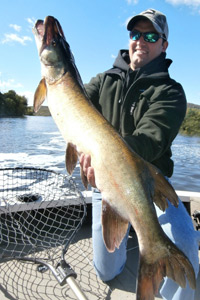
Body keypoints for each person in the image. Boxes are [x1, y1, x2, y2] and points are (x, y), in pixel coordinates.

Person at [80, 8, 200, 300]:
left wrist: (104, 154)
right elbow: (77, 111)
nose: (140, 41)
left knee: (185, 243)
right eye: (135, 34)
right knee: (106, 270)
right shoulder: (103, 80)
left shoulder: (170, 92)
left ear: (163, 44)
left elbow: (149, 140)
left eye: (150, 35)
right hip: (105, 184)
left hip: (150, 185)